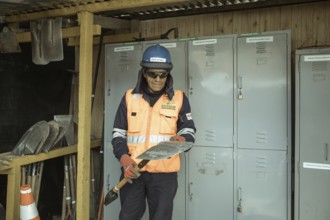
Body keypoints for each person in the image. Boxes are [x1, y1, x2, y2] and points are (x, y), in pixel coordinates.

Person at [111, 44, 196, 220]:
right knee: (127, 217)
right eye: (153, 74)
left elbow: (189, 132)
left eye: (163, 74)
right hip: (133, 172)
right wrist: (125, 159)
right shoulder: (129, 98)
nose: (158, 79)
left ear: (168, 74)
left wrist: (183, 140)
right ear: (144, 72)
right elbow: (118, 134)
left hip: (164, 177)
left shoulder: (179, 98)